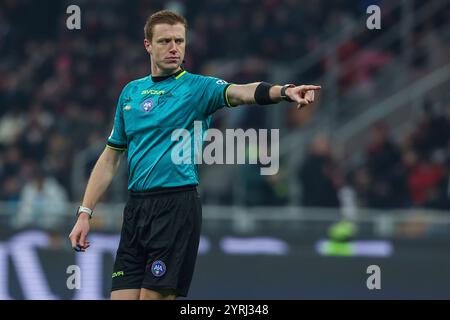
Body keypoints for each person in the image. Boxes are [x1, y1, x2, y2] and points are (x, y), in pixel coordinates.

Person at [68, 9, 320, 300]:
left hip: (175, 206)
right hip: (136, 210)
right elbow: (110, 158)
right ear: (147, 45)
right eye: (164, 41)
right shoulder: (131, 93)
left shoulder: (199, 88)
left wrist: (284, 91)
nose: (174, 48)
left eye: (179, 40)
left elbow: (241, 92)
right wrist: (85, 213)